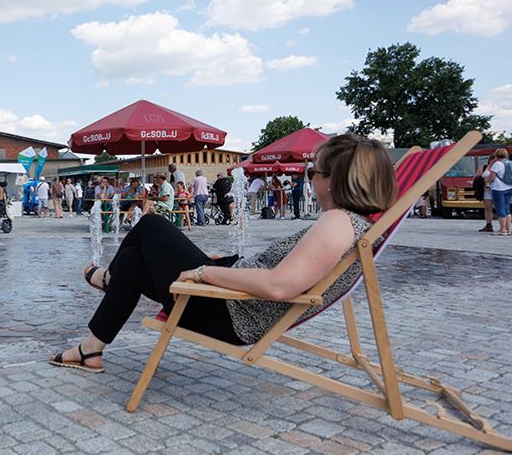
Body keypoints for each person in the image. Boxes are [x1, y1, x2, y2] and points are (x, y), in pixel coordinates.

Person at [50, 134, 397, 372]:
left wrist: (205, 273)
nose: (311, 180)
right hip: (230, 298)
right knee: (131, 260)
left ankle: (109, 280)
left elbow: (279, 287)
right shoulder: (350, 224)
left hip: (227, 313)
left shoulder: (338, 222)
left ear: (334, 181)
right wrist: (225, 265)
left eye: (314, 172)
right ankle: (91, 350)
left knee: (152, 225)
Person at [485, 148, 512, 236]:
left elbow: (491, 177)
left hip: (498, 189)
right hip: (509, 188)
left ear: (496, 155)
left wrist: (486, 180)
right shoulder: (510, 163)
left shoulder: (498, 164)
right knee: (507, 209)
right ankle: (509, 229)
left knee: (500, 209)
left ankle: (502, 229)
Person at [479, 155, 497, 232]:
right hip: (486, 190)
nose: (494, 162)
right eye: (492, 160)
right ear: (489, 160)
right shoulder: (484, 167)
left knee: (500, 209)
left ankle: (504, 226)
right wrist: (482, 181)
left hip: (497, 189)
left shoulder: (499, 167)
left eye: (495, 161)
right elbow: (477, 177)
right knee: (487, 208)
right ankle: (489, 224)